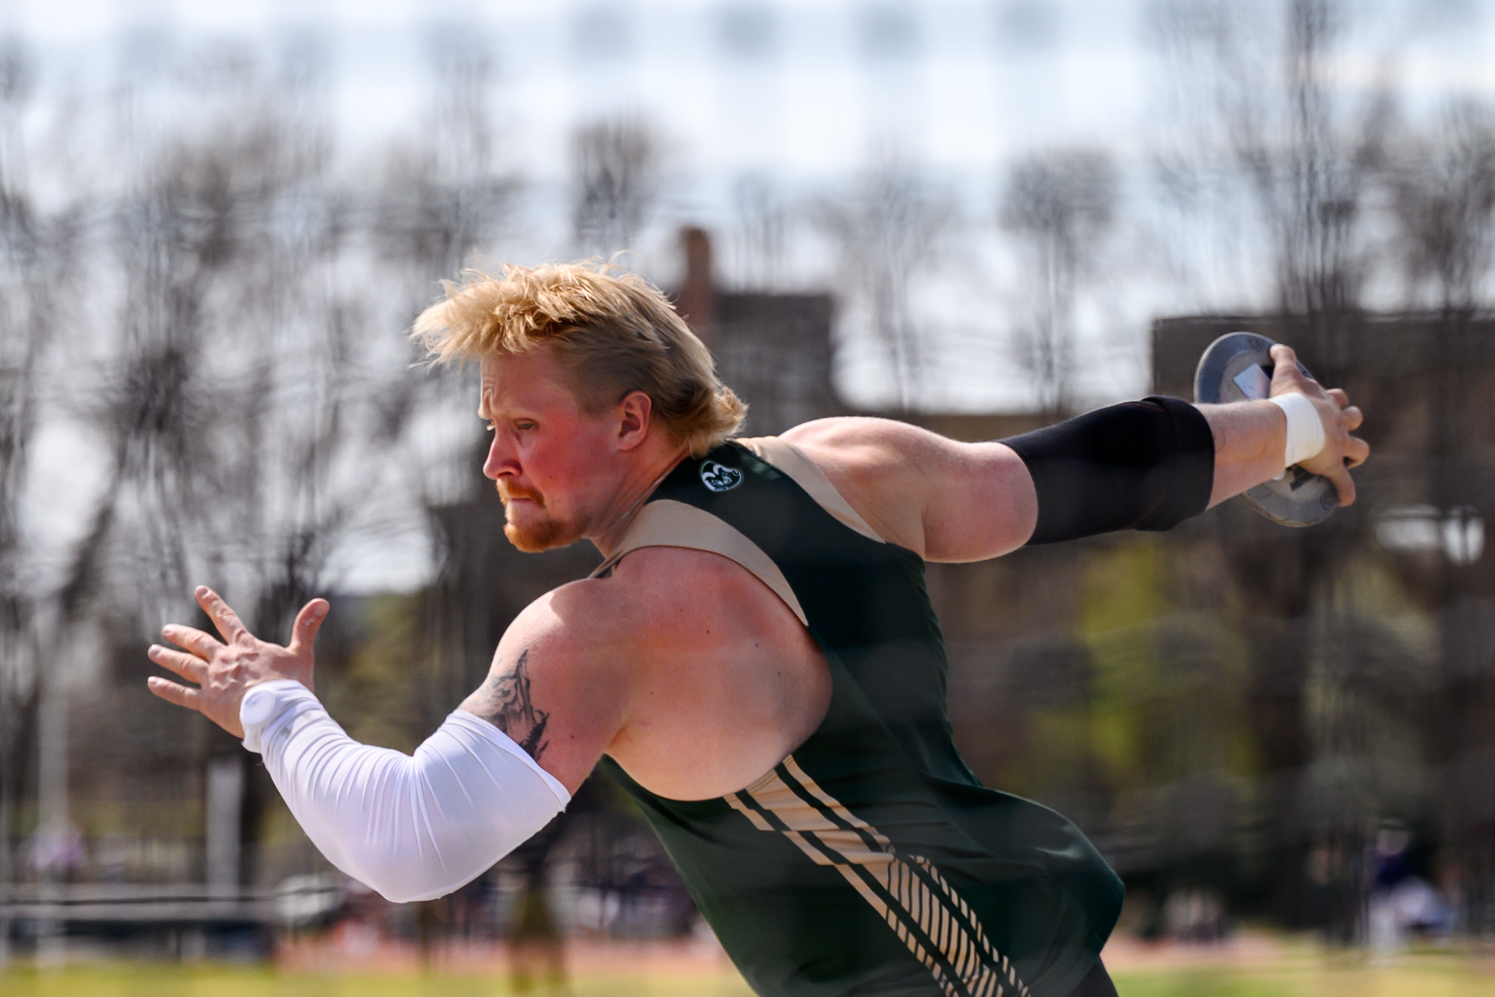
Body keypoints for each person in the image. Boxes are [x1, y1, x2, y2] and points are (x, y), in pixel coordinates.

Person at [146, 262, 1368, 997]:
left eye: (522, 425)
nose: (493, 460)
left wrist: (272, 704)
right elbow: (1103, 468)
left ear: (631, 423)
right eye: (489, 425)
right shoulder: (848, 466)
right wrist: (1294, 430)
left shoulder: (598, 631)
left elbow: (407, 844)